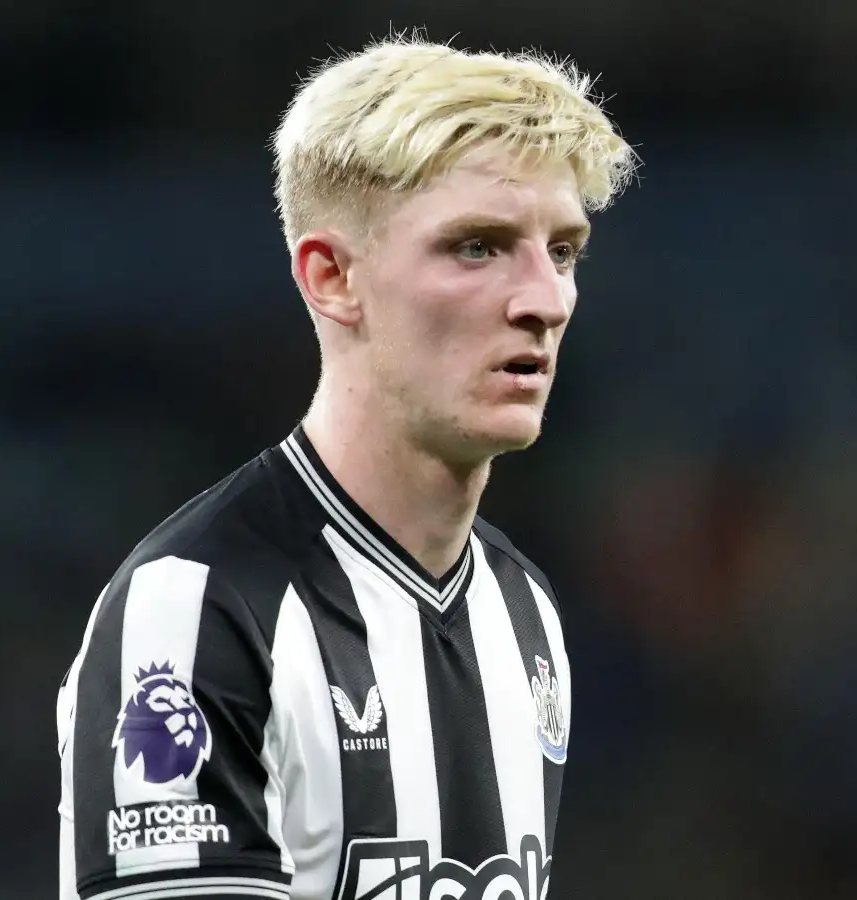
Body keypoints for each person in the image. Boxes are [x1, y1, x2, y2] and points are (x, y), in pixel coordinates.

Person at [55, 35, 635, 900]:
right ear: (331, 277)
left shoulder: (525, 615)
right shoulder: (194, 614)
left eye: (563, 250)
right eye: (477, 247)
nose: (545, 301)